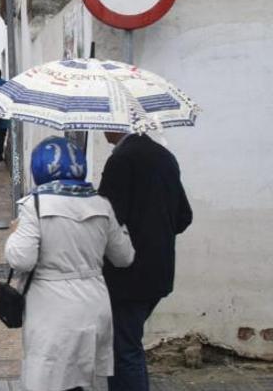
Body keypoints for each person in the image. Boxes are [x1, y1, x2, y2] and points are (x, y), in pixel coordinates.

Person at [5, 136, 135, 391]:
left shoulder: (35, 205)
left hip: (51, 307)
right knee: (89, 379)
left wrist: (13, 233)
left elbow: (21, 259)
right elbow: (124, 258)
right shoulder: (101, 204)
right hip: (94, 304)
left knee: (49, 377)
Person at [99, 132, 193, 391]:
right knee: (128, 343)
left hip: (128, 274)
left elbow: (107, 220)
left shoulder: (121, 160)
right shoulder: (164, 157)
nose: (102, 129)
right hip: (159, 270)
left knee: (124, 350)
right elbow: (184, 216)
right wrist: (157, 236)